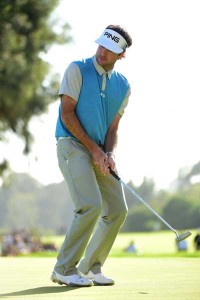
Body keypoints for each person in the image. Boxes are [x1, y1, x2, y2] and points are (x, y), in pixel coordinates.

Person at [51, 25, 132, 287]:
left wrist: (108, 153)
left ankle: (90, 266)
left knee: (118, 210)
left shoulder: (123, 86)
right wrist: (95, 150)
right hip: (72, 145)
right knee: (91, 206)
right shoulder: (77, 69)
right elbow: (67, 114)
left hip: (98, 151)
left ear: (122, 55)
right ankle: (64, 268)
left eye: (110, 50)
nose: (102, 52)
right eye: (101, 45)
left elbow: (113, 128)